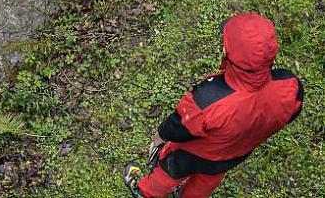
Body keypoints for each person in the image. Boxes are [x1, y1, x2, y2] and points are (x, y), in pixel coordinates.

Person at [122, 12, 304, 198]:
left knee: (169, 170)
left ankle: (145, 192)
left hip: (193, 153)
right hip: (232, 155)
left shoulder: (208, 98)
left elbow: (179, 126)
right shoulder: (290, 87)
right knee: (206, 182)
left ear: (228, 52)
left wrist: (160, 137)